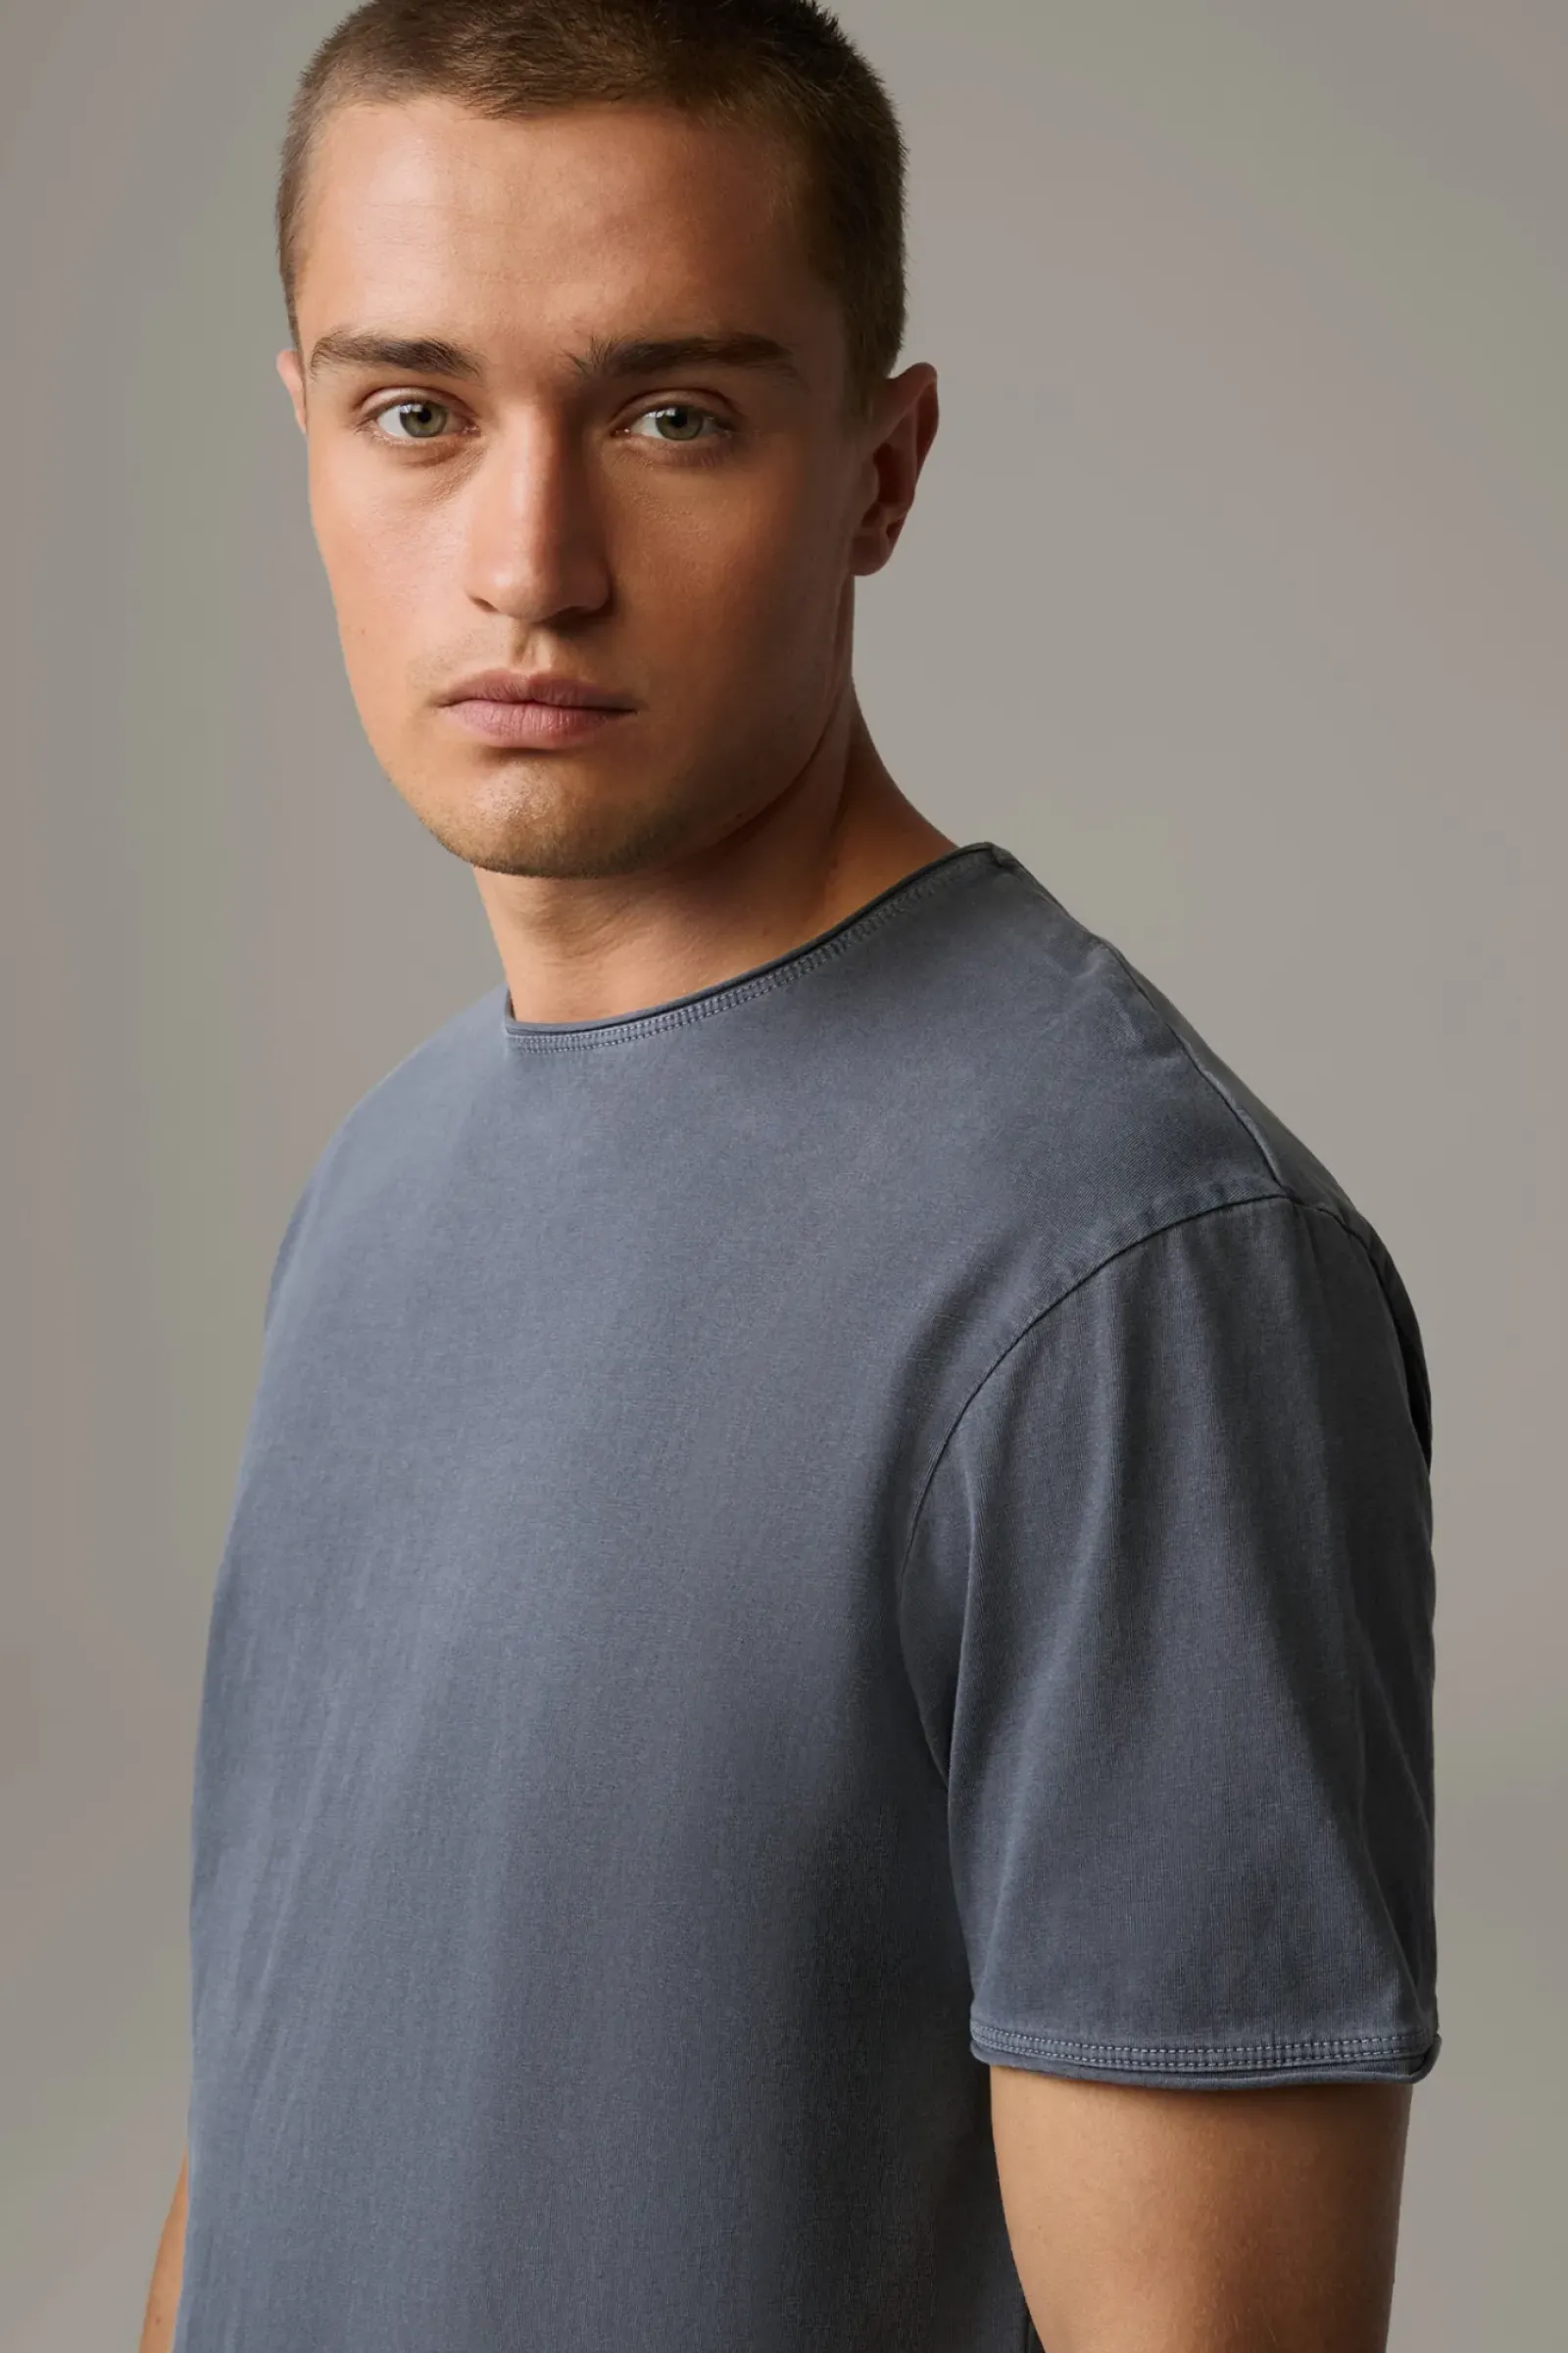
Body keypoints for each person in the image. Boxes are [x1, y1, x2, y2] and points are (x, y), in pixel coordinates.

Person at [138, 3, 1439, 2347]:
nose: (530, 565)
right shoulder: (382, 1182)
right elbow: (270, 2122)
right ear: (306, 430)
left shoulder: (1130, 1274)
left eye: (671, 416)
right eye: (417, 411)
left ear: (878, 469)